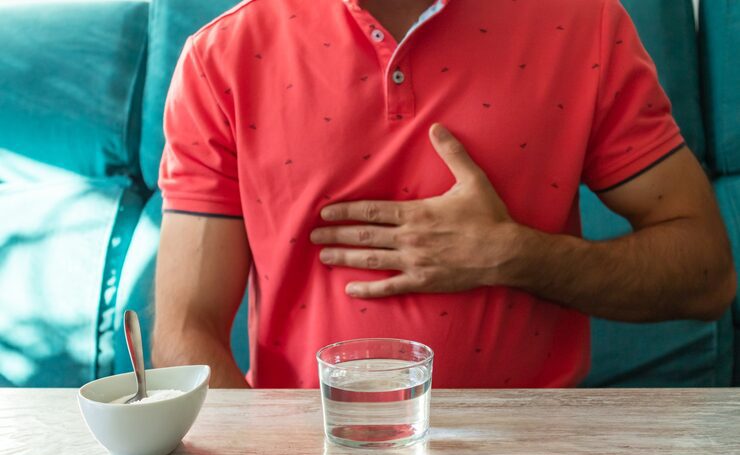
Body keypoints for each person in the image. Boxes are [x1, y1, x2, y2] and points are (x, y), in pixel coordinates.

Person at [152, 0, 736, 388]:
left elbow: (707, 277)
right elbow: (185, 337)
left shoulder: (584, 22)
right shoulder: (221, 57)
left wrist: (518, 257)